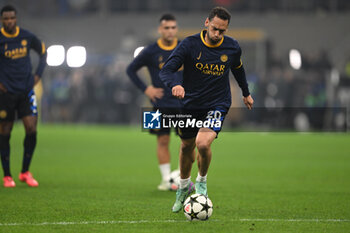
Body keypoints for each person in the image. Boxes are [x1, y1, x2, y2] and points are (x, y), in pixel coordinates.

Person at [159, 6, 254, 212]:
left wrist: (245, 92)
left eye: (222, 31)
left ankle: (201, 182)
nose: (217, 33)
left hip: (217, 104)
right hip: (190, 104)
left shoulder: (232, 47)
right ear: (206, 23)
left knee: (202, 143)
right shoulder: (190, 44)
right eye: (215, 28)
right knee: (186, 147)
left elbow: (238, 68)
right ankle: (184, 187)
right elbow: (166, 70)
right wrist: (174, 85)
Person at [126, 14, 184, 191]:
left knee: (188, 143)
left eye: (173, 27)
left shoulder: (184, 48)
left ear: (176, 29)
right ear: (160, 29)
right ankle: (167, 180)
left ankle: (183, 177)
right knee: (162, 141)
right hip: (158, 104)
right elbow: (130, 70)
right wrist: (146, 89)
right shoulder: (150, 51)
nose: (170, 31)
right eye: (166, 28)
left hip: (184, 103)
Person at [0, 5, 47, 187]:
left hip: (26, 90)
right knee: (5, 131)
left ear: (16, 19)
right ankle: (7, 175)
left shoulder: (26, 36)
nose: (9, 21)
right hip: (6, 93)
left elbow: (43, 52)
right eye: (6, 19)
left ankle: (25, 172)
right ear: (2, 20)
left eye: (12, 18)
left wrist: (38, 75)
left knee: (31, 129)